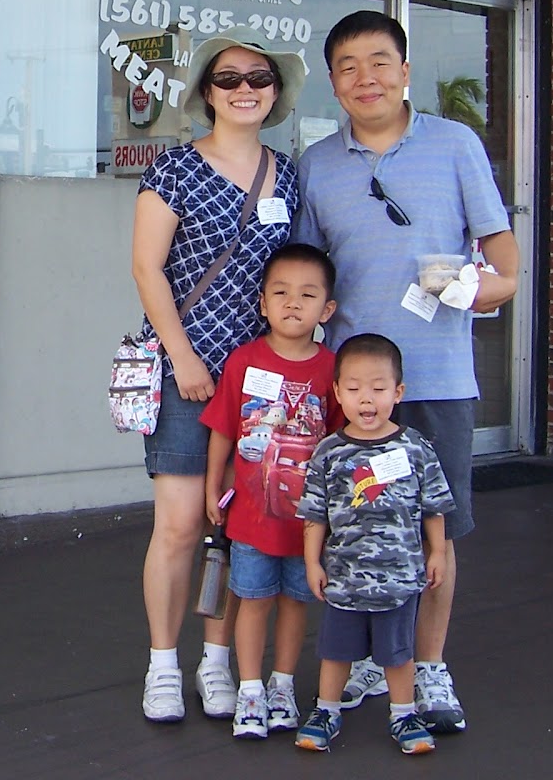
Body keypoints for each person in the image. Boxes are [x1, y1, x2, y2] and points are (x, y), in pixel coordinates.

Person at [292, 9, 518, 733]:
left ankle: (427, 666)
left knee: (432, 534)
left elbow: (506, 269)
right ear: (333, 83)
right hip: (352, 391)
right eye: (350, 67)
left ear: (406, 72)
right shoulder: (317, 164)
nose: (367, 78)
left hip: (438, 380)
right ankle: (366, 660)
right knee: (355, 530)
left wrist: (465, 288)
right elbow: (308, 278)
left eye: (381, 61)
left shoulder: (456, 146)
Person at [131, 28, 309, 723]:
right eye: (229, 79)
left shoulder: (288, 174)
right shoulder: (173, 169)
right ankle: (163, 666)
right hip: (187, 373)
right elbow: (147, 267)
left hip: (260, 380)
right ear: (208, 92)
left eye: (258, 78)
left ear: (275, 92)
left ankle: (217, 659)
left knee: (241, 527)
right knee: (177, 526)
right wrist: (181, 354)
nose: (245, 89)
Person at [201, 243, 342, 740]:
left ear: (327, 309)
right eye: (280, 293)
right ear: (261, 302)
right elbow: (223, 429)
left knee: (296, 602)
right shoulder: (243, 361)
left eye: (307, 295)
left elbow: (344, 442)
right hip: (251, 518)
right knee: (253, 598)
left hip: (308, 523)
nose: (292, 303)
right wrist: (212, 485)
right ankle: (251, 690)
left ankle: (283, 686)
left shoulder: (331, 370)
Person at [294, 333, 454, 755]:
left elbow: (434, 506)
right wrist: (312, 563)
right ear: (337, 392)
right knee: (335, 650)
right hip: (343, 578)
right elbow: (314, 516)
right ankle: (326, 710)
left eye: (379, 388)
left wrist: (437, 552)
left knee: (398, 654)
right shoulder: (328, 452)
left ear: (398, 392)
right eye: (354, 388)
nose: (367, 399)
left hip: (399, 578)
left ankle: (404, 714)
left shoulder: (416, 448)